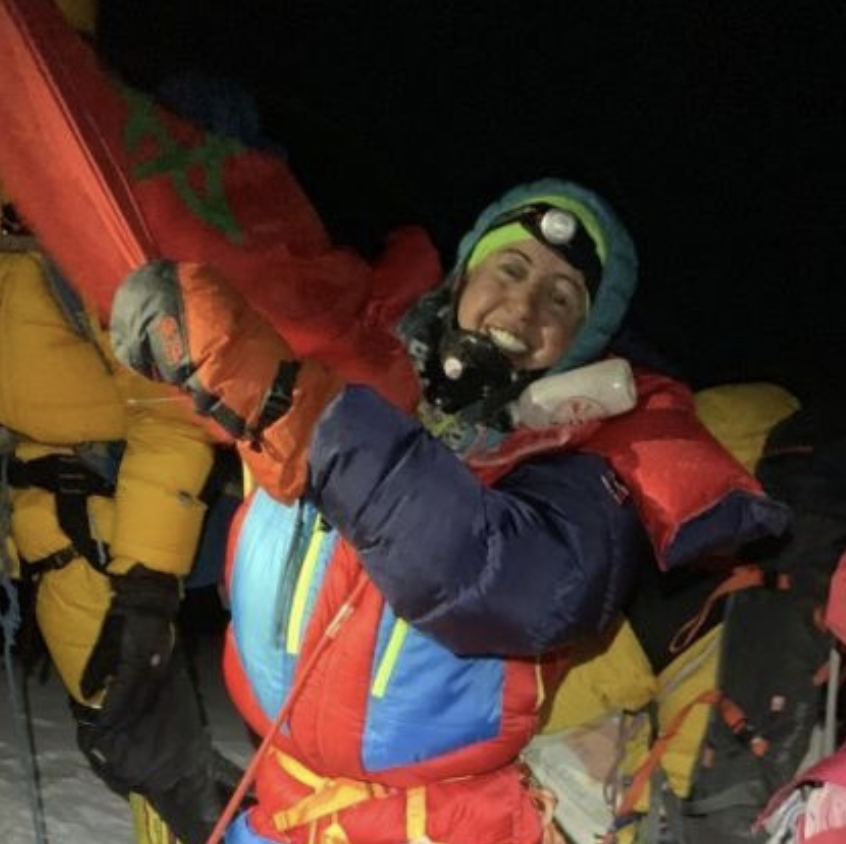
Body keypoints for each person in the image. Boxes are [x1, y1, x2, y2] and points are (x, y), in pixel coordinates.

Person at [107, 176, 792, 844]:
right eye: (510, 269)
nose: (523, 308)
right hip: (283, 805)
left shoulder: (592, 464)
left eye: (561, 299)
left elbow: (503, 581)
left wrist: (289, 406)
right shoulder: (347, 370)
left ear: (584, 341)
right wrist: (143, 601)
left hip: (442, 824)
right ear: (462, 277)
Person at [0, 195, 240, 844]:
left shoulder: (78, 236)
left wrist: (145, 584)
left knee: (145, 741)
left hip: (117, 525)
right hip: (54, 532)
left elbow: (170, 417)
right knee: (129, 741)